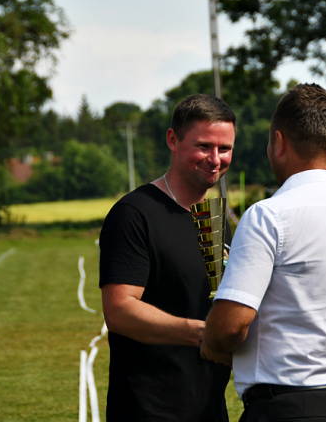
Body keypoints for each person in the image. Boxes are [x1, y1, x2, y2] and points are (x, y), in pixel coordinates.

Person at [203, 84, 326, 422]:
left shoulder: (268, 216)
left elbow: (230, 326)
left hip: (290, 406)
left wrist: (210, 340)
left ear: (279, 141)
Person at [98, 94, 235, 421]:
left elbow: (218, 299)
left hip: (209, 407)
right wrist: (203, 332)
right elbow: (119, 309)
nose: (215, 159)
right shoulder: (134, 214)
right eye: (204, 146)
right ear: (173, 140)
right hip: (149, 409)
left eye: (225, 148)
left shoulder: (214, 218)